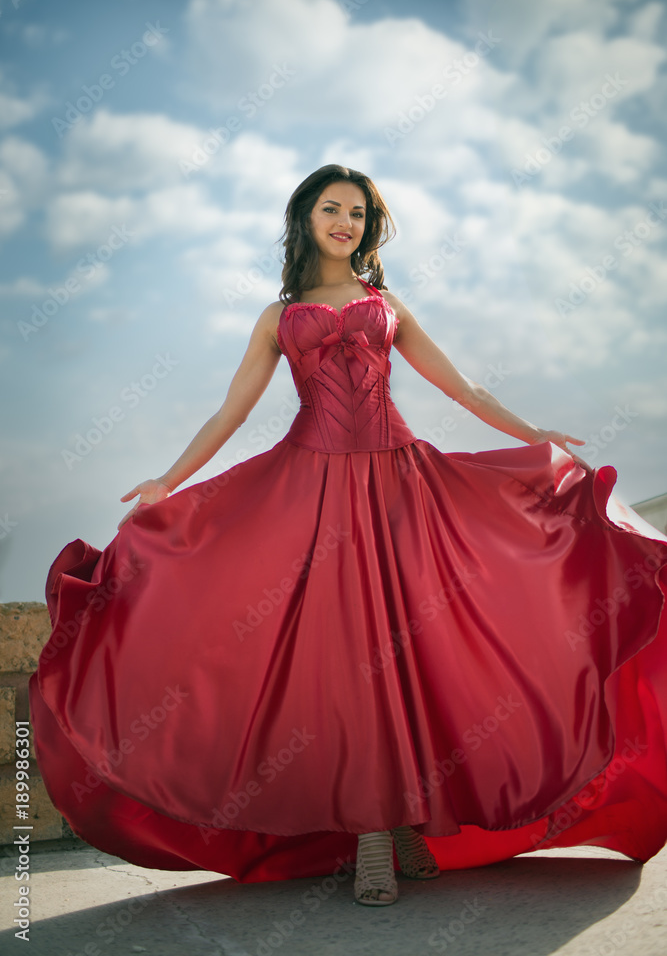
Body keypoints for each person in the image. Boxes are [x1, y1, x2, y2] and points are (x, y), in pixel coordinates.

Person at [30, 165, 667, 908]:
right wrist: (167, 483)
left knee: (407, 650)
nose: (345, 222)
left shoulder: (384, 303)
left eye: (359, 213)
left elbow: (460, 387)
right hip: (311, 487)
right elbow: (229, 413)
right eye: (331, 209)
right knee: (348, 658)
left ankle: (395, 826)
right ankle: (377, 832)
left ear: (369, 226)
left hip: (400, 486)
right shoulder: (277, 317)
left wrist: (532, 435)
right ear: (304, 219)